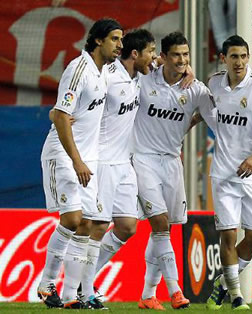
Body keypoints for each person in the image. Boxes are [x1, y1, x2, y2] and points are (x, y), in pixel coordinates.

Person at [38, 18, 123, 309]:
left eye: (122, 40)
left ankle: (72, 294)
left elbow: (60, 111)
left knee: (89, 224)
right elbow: (61, 115)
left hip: (87, 159)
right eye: (114, 39)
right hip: (64, 155)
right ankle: (47, 281)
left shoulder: (105, 71)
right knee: (73, 220)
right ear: (98, 40)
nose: (120, 45)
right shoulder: (79, 69)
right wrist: (76, 161)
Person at [131, 31, 215, 310]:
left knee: (162, 229)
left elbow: (215, 116)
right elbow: (122, 64)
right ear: (163, 57)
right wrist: (151, 60)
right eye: (176, 55)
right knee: (160, 224)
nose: (182, 60)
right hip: (142, 159)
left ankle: (147, 295)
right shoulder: (143, 78)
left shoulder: (196, 89)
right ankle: (175, 290)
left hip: (171, 161)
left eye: (186, 55)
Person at [75, 28, 157, 309]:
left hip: (125, 163)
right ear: (136, 54)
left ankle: (84, 281)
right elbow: (84, 92)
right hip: (103, 162)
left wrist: (188, 72)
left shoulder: (140, 77)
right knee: (97, 226)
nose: (154, 58)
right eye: (151, 52)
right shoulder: (109, 75)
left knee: (127, 226)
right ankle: (84, 291)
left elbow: (173, 68)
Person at [205, 35, 252, 310]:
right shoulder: (214, 83)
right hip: (223, 174)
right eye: (234, 56)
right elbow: (198, 107)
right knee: (227, 235)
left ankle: (222, 285)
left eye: (244, 56)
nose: (239, 62)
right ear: (223, 58)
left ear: (249, 57)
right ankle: (236, 297)